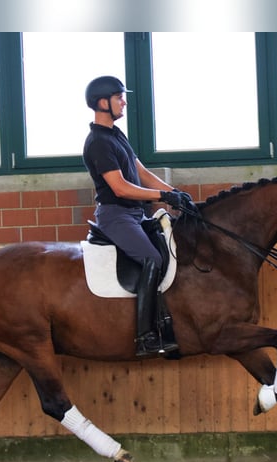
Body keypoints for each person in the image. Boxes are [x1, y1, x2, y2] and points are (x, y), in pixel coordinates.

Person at [82, 75, 193, 357]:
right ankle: (145, 336)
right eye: (119, 97)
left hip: (133, 214)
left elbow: (141, 172)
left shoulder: (116, 135)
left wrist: (175, 193)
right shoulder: (98, 142)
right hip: (115, 216)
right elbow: (119, 188)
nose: (124, 102)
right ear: (102, 102)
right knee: (151, 258)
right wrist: (162, 198)